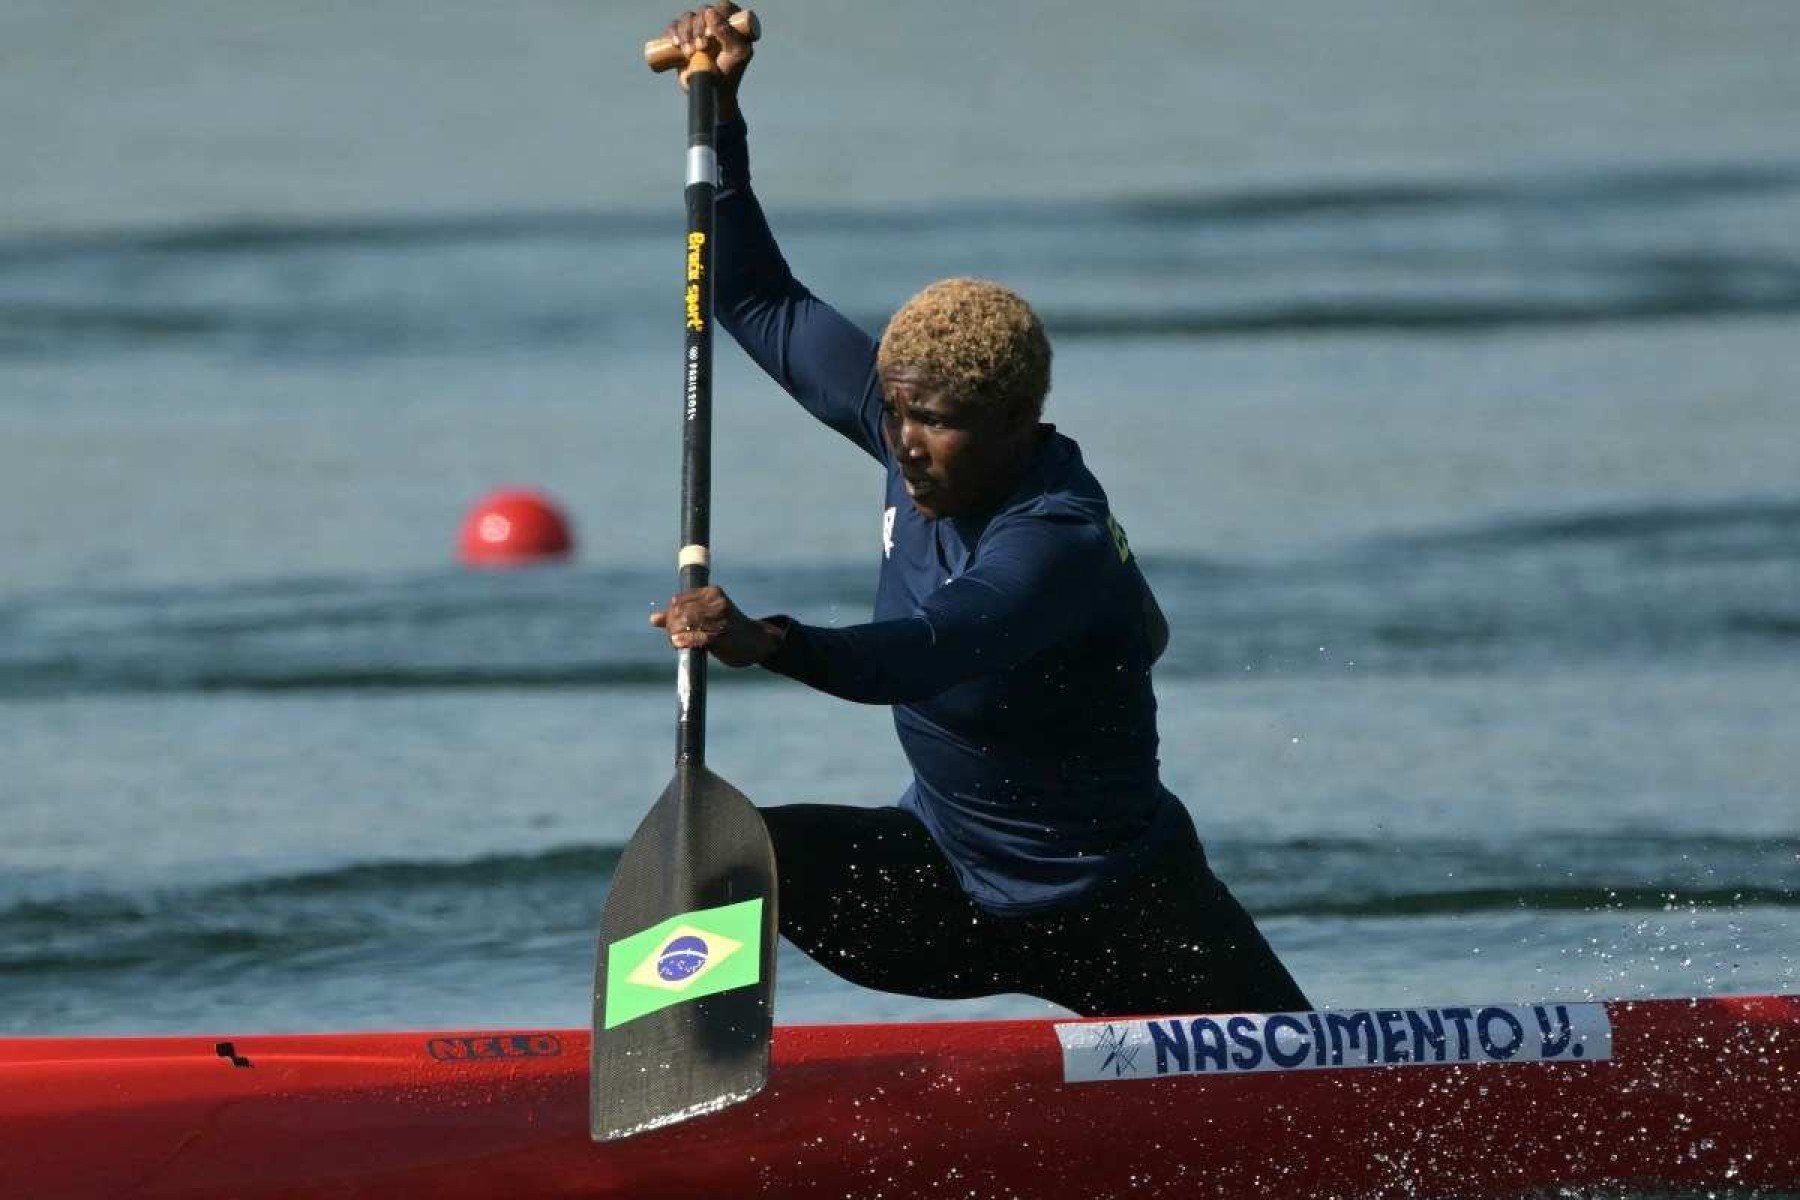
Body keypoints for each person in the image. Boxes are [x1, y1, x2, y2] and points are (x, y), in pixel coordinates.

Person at [652, 3, 1310, 1018]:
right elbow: (757, 302)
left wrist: (763, 638)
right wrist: (724, 114)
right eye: (899, 414)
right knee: (720, 859)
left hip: (1124, 915)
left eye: (943, 424)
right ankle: (686, 1089)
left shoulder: (1058, 538)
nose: (908, 444)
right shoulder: (900, 419)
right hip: (942, 889)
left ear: (1017, 419)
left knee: (1317, 1125)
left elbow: (917, 653)